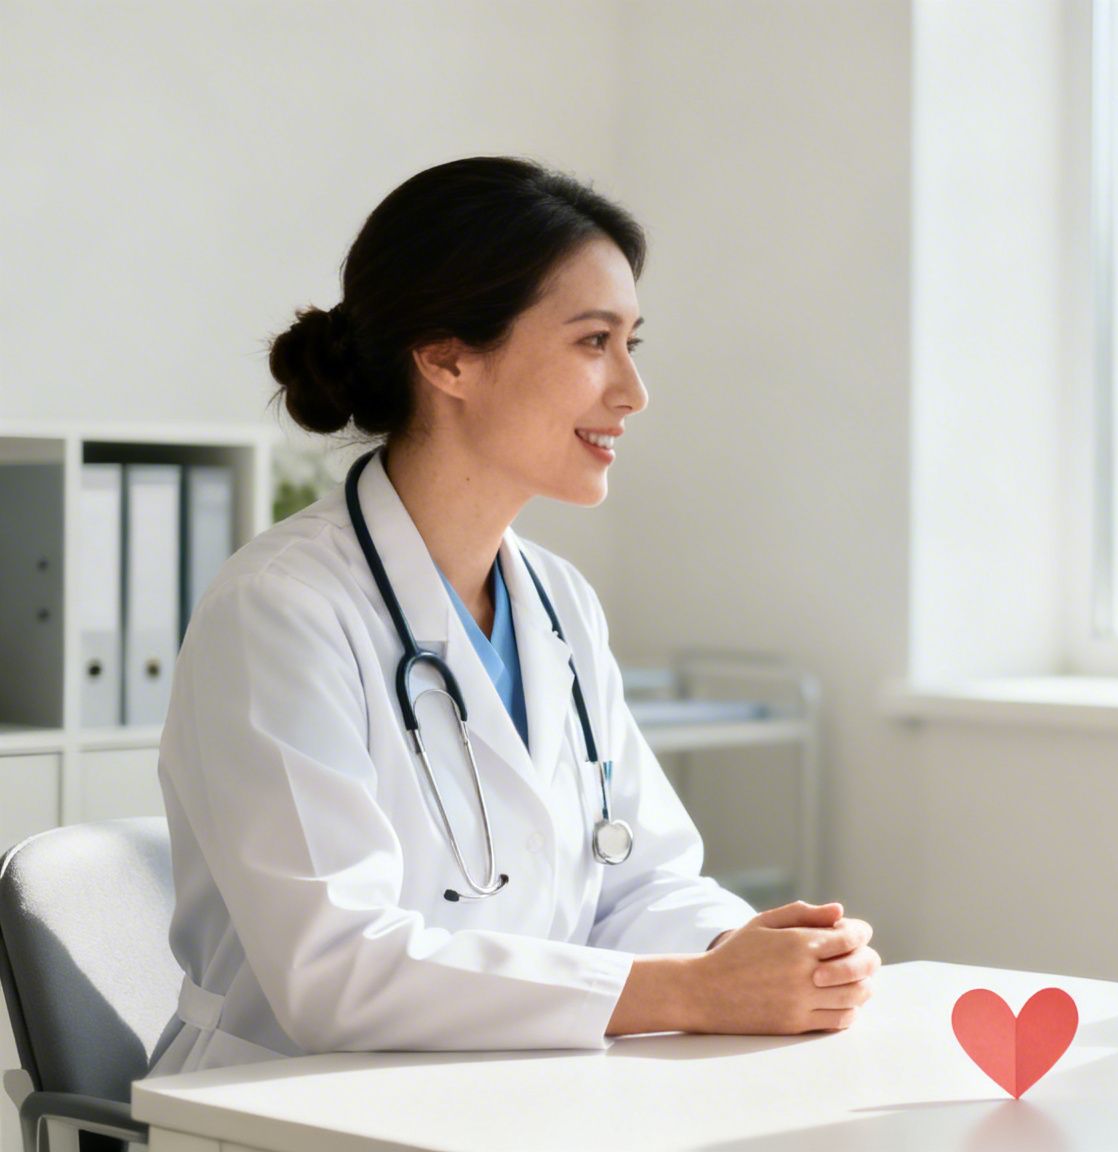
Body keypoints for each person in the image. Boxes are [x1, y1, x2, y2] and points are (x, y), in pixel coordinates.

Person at [151, 157, 878, 1076]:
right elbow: (334, 971)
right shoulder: (281, 613)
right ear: (448, 357)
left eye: (631, 344)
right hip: (283, 1106)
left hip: (513, 1087)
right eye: (592, 343)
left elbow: (642, 880)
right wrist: (689, 993)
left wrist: (750, 955)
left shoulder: (558, 603)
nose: (631, 392)